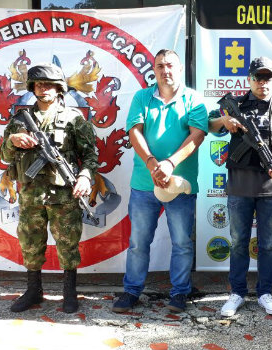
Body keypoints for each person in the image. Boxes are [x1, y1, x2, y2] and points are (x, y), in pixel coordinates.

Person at [111, 49, 208, 313]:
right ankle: (131, 292)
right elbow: (134, 132)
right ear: (154, 70)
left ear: (180, 69)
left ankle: (179, 293)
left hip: (181, 184)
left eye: (170, 65)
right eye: (160, 66)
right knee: (139, 243)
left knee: (182, 242)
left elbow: (197, 136)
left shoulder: (194, 99)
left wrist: (170, 164)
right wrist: (154, 164)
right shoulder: (142, 97)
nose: (165, 70)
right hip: (144, 183)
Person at [209, 57, 272, 316]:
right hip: (239, 186)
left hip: (271, 188)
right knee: (239, 242)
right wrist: (224, 122)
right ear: (249, 79)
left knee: (268, 245)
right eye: (258, 78)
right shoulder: (235, 105)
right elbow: (208, 124)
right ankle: (237, 293)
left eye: (268, 78)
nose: (263, 83)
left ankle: (265, 293)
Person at [0, 63, 98, 313]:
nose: (43, 89)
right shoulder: (19, 120)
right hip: (30, 194)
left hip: (63, 195)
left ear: (59, 88)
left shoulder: (74, 118)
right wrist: (13, 141)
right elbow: (3, 154)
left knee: (68, 243)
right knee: (31, 242)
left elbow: (90, 155)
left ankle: (69, 292)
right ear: (32, 88)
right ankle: (34, 290)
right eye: (38, 84)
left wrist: (85, 177)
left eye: (49, 85)